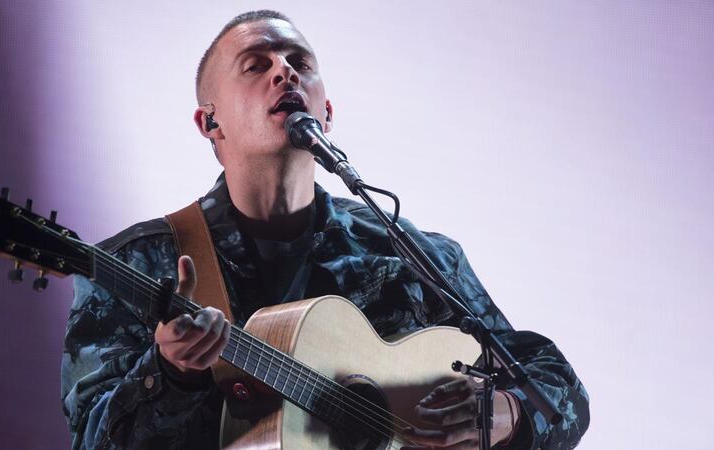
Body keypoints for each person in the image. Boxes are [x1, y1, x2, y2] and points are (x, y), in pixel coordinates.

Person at [61, 10, 589, 450]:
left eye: (300, 64)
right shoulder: (136, 265)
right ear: (209, 122)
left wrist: (509, 414)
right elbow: (92, 440)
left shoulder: (414, 254)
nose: (285, 73)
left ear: (327, 111)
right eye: (256, 65)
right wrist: (170, 372)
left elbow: (555, 386)